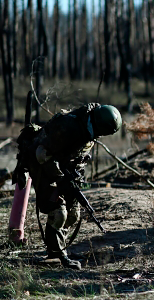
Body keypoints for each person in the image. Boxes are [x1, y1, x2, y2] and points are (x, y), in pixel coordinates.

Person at [14, 104, 122, 270]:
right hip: (41, 163)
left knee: (73, 214)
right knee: (58, 212)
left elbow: (76, 157)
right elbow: (41, 153)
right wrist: (60, 178)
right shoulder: (69, 126)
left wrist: (74, 180)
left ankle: (59, 247)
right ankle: (57, 255)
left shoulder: (90, 129)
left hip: (62, 169)